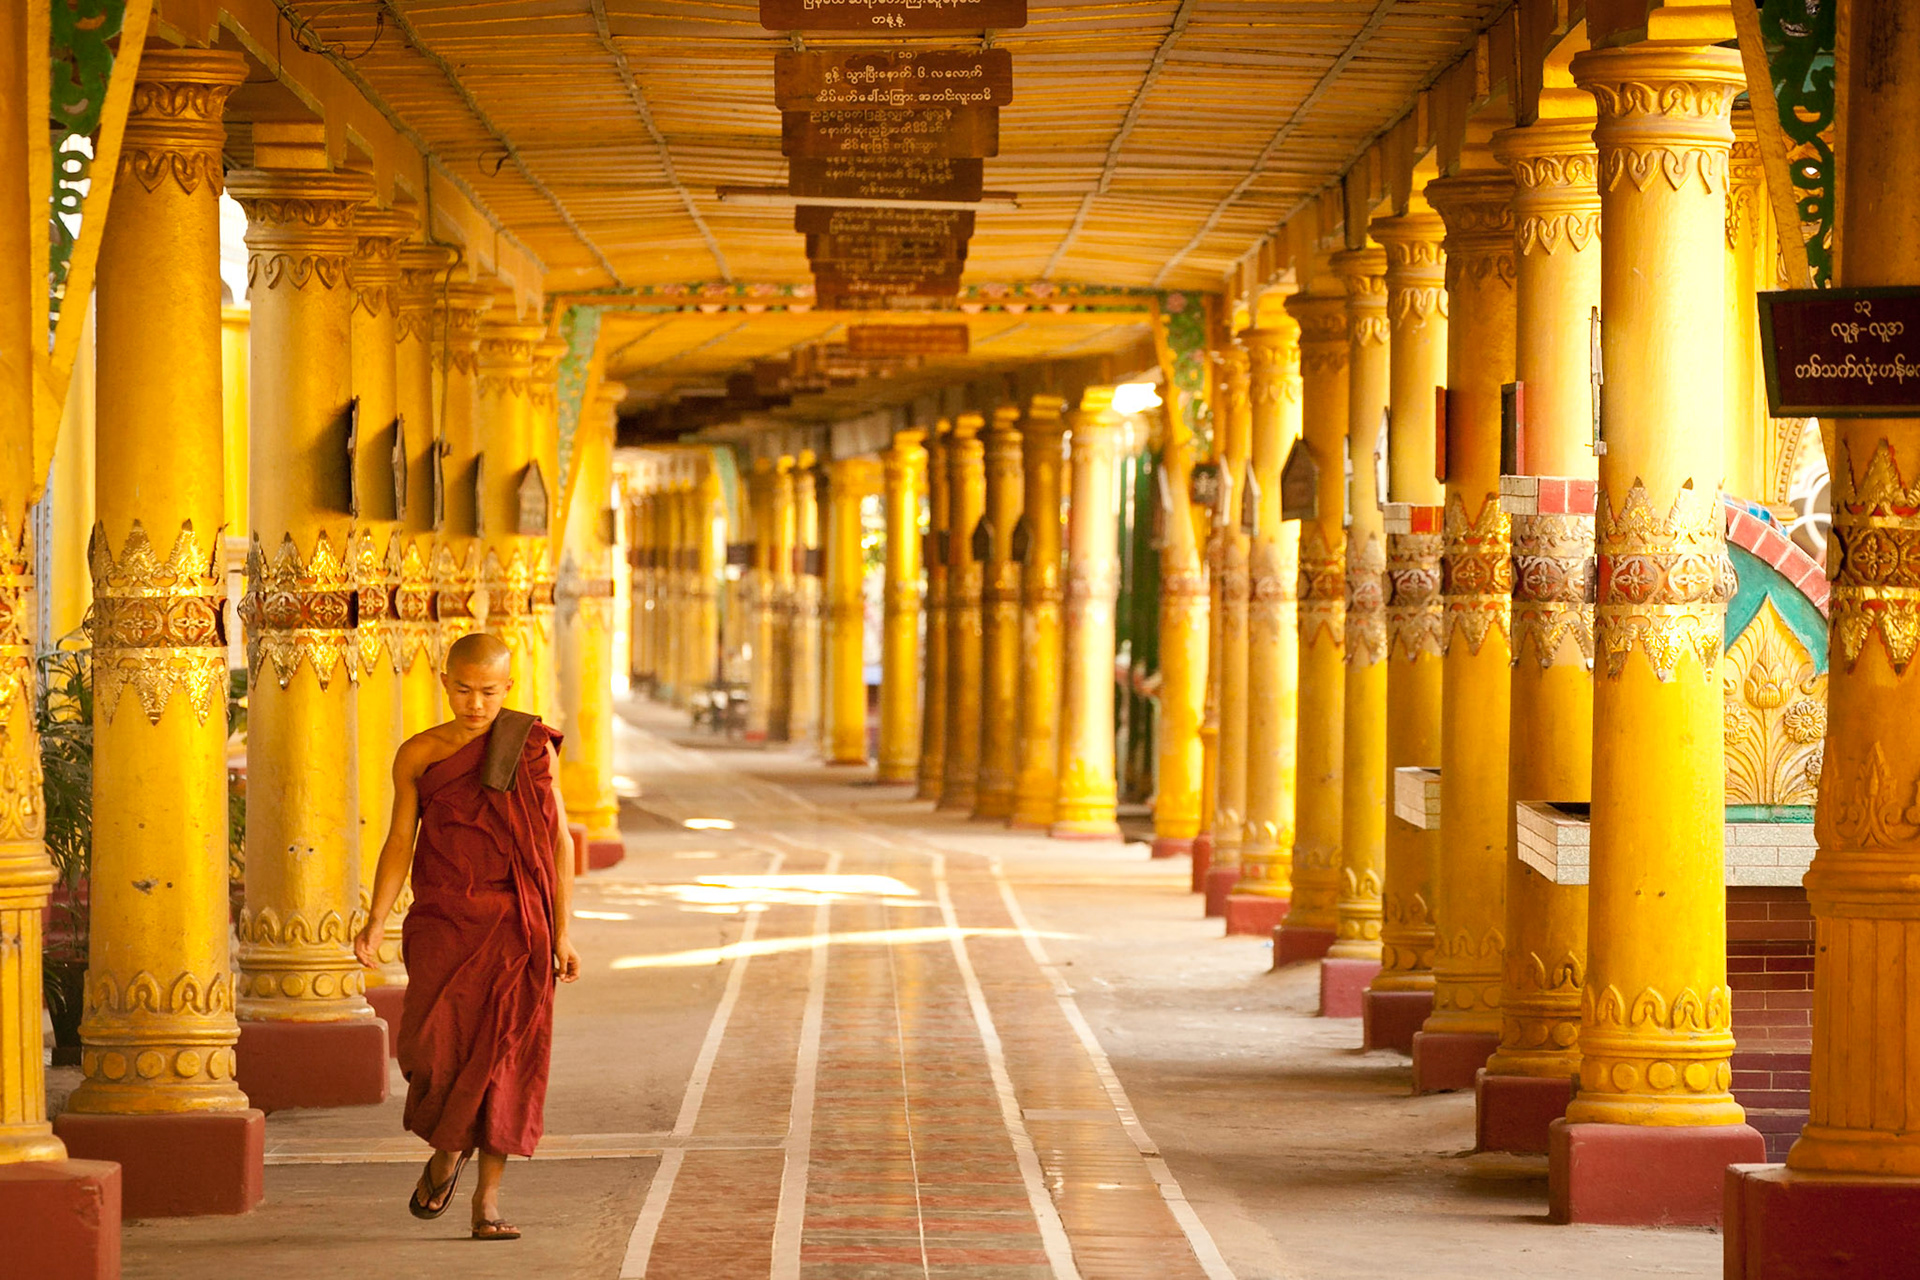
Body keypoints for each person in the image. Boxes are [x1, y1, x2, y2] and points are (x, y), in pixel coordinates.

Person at [353, 631, 583, 1241]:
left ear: (508, 688)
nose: (475, 703)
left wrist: (563, 932)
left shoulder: (530, 744)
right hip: (444, 922)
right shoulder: (420, 754)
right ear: (444, 681)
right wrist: (376, 920)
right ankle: (446, 1149)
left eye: (488, 691)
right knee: (432, 1051)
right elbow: (400, 839)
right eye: (463, 689)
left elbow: (557, 839)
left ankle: (488, 1201)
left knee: (507, 1057)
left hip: (518, 923)